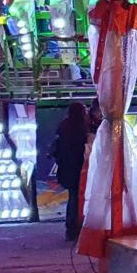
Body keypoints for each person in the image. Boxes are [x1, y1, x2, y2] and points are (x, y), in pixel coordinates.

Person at [53, 102, 90, 241]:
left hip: (66, 168)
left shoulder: (64, 125)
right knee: (77, 199)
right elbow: (81, 148)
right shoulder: (80, 128)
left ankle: (71, 228)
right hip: (78, 168)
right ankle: (75, 228)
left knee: (73, 198)